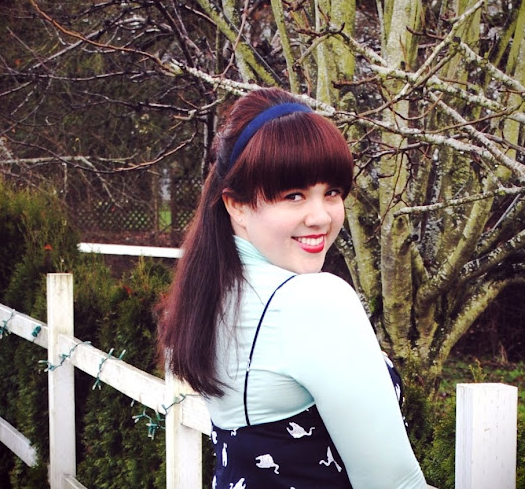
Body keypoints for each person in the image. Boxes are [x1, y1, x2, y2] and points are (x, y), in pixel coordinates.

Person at [158, 88, 427, 488]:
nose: (321, 217)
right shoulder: (311, 301)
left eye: (331, 192)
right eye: (294, 195)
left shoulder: (209, 296)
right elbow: (394, 483)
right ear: (237, 205)